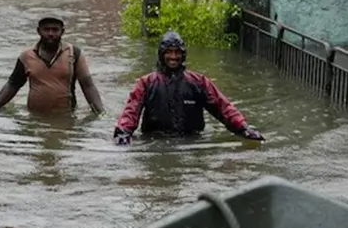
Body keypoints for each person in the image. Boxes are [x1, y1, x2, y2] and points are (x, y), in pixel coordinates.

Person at [113, 31, 264, 145]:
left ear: (183, 55)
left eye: (177, 52)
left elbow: (223, 107)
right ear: (161, 55)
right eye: (169, 52)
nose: (173, 57)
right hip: (156, 142)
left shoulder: (199, 82)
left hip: (192, 141)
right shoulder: (146, 83)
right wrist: (123, 133)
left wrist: (244, 128)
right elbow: (131, 112)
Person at [0, 16, 106, 114]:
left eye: (55, 30)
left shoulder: (74, 54)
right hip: (34, 116)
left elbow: (87, 85)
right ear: (39, 31)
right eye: (46, 29)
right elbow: (13, 84)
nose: (50, 34)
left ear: (62, 32)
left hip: (65, 116)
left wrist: (100, 112)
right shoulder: (27, 56)